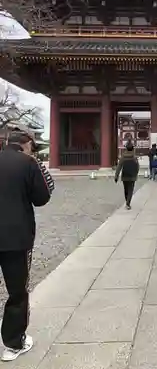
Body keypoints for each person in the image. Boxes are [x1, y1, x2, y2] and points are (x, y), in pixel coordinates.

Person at [0, 130, 54, 362]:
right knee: (17, 291)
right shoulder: (28, 163)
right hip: (16, 237)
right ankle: (13, 344)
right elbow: (41, 197)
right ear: (27, 144)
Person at [114, 142, 139, 209]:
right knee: (130, 190)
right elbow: (137, 167)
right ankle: (128, 203)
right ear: (132, 148)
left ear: (126, 148)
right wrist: (136, 174)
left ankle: (127, 202)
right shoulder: (134, 157)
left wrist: (116, 177)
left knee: (126, 190)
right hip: (132, 176)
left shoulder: (123, 157)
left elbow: (119, 167)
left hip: (124, 175)